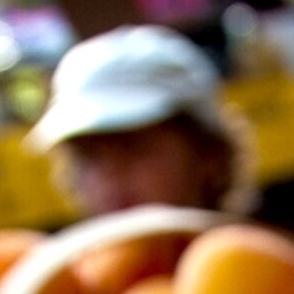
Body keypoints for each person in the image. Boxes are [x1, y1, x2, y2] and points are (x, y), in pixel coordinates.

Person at [28, 25, 257, 216]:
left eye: (134, 147)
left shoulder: (257, 263)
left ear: (208, 154)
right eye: (89, 156)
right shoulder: (73, 269)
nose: (111, 172)